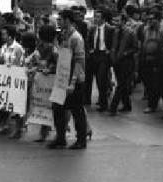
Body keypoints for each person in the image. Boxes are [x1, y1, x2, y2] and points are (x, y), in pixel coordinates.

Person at [48, 9, 88, 150]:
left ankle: (81, 140)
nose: (59, 22)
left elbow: (79, 62)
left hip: (74, 81)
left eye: (61, 19)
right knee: (57, 108)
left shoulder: (76, 38)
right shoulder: (63, 36)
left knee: (77, 111)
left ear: (68, 20)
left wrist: (72, 82)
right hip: (62, 79)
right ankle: (60, 138)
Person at [108, 13, 137, 116]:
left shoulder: (130, 33)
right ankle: (127, 105)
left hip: (126, 62)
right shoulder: (115, 32)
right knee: (122, 83)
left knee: (120, 85)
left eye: (118, 21)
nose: (116, 23)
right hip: (117, 61)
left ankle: (113, 107)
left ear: (124, 22)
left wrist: (125, 53)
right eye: (115, 21)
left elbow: (135, 48)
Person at [85, 8, 114, 112]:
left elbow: (113, 42)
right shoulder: (93, 29)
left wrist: (109, 51)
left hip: (104, 56)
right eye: (95, 17)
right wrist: (90, 50)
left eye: (98, 17)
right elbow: (88, 41)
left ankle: (103, 103)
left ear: (103, 19)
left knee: (101, 80)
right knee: (91, 78)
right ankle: (89, 99)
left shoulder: (109, 29)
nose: (95, 19)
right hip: (94, 55)